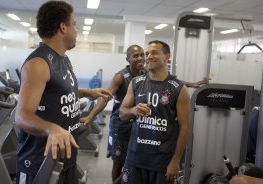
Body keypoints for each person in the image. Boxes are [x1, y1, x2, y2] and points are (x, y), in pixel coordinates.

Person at [14, 1, 112, 184]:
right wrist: (51, 128)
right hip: (40, 163)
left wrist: (86, 92)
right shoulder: (38, 63)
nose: (76, 30)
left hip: (66, 158)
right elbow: (21, 116)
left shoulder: (63, 59)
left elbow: (57, 93)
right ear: (63, 27)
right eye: (74, 25)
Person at [80, 44, 209, 183]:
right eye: (138, 55)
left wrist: (191, 84)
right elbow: (106, 99)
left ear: (167, 57)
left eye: (143, 54)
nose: (143, 58)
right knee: (119, 162)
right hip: (122, 126)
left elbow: (168, 80)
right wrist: (90, 116)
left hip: (146, 138)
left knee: (130, 166)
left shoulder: (147, 74)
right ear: (128, 59)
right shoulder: (123, 78)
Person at [119, 40, 190, 184]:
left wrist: (176, 161)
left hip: (162, 162)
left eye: (154, 53)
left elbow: (185, 128)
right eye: (147, 53)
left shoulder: (178, 88)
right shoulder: (136, 83)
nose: (148, 56)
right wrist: (133, 110)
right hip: (135, 158)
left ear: (167, 56)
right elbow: (122, 113)